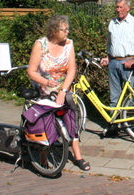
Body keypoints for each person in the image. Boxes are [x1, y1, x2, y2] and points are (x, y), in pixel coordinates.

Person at [27, 15, 90, 171]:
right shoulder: (40, 45)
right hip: (44, 89)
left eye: (68, 29)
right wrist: (46, 83)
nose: (67, 32)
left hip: (63, 88)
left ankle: (78, 156)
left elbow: (72, 69)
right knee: (45, 121)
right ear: (54, 31)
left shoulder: (69, 44)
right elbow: (32, 71)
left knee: (70, 117)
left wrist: (63, 90)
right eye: (64, 29)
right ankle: (42, 156)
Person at [100, 0, 134, 107]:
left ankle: (131, 120)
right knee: (114, 96)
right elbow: (109, 43)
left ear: (128, 7)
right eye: (117, 7)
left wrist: (133, 60)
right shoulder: (112, 23)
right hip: (113, 63)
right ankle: (113, 122)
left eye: (120, 7)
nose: (118, 10)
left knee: (132, 95)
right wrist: (108, 57)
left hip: (128, 63)